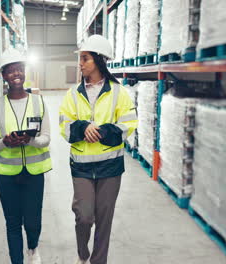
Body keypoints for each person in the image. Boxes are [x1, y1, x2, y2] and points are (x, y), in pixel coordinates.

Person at [59, 35, 138, 264]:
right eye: (81, 59)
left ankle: (98, 261)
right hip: (82, 167)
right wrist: (83, 128)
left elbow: (129, 124)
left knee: (105, 219)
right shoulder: (72, 94)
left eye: (85, 59)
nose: (80, 63)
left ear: (99, 61)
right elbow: (64, 126)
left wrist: (101, 131)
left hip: (110, 167)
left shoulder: (119, 93)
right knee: (84, 216)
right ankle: (82, 254)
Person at [0, 48, 52, 264]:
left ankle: (32, 247)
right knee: (12, 222)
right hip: (7, 173)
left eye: (20, 69)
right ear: (4, 75)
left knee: (33, 222)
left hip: (34, 172)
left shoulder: (38, 102)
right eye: (11, 71)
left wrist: (29, 140)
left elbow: (46, 138)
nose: (17, 74)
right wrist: (5, 142)